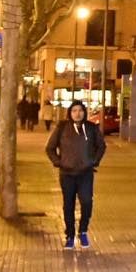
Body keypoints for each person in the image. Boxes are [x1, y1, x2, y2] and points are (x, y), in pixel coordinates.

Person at [45, 99, 106, 250]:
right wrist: (58, 162)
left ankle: (83, 231)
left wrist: (94, 161)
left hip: (85, 173)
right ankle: (70, 235)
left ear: (84, 112)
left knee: (86, 202)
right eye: (74, 111)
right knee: (68, 205)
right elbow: (50, 148)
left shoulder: (91, 128)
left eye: (80, 110)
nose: (77, 113)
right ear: (70, 113)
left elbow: (101, 146)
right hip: (67, 174)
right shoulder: (62, 128)